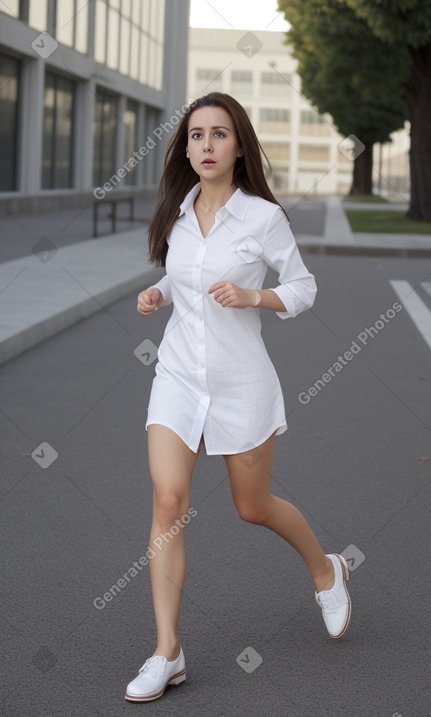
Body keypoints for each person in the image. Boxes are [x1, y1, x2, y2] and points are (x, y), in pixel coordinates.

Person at [125, 92, 351, 703]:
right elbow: (184, 275)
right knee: (168, 502)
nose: (205, 145)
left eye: (218, 134)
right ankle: (166, 650)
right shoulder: (177, 212)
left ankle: (326, 569)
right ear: (186, 147)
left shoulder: (262, 218)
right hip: (177, 375)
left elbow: (303, 287)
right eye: (196, 135)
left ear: (239, 145)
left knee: (252, 507)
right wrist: (159, 292)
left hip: (239, 381)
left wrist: (256, 298)